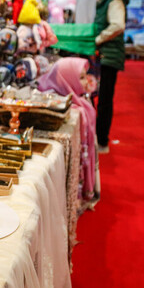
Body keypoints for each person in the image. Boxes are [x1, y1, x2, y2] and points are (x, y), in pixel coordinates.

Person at [38, 57, 98, 202]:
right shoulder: (59, 104)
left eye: (85, 76)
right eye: (81, 78)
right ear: (66, 79)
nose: (86, 82)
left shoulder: (81, 102)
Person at [84, 0, 129, 153]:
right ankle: (96, 137)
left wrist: (98, 39)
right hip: (102, 56)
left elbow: (118, 25)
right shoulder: (103, 1)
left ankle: (102, 142)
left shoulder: (114, 0)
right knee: (96, 96)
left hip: (110, 57)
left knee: (104, 100)